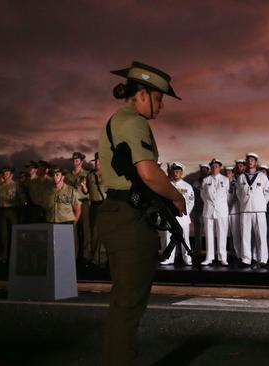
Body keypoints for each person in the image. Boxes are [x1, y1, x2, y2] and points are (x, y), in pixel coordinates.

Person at [97, 61, 185, 365]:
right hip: (127, 217)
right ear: (143, 94)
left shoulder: (120, 120)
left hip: (121, 212)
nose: (160, 106)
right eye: (159, 98)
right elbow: (148, 173)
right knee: (129, 304)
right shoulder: (133, 122)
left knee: (125, 303)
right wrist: (176, 197)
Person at [237, 152, 269, 267]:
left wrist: (261, 204)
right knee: (245, 236)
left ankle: (262, 259)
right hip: (245, 210)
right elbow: (238, 193)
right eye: (248, 160)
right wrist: (244, 203)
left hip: (259, 210)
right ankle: (246, 259)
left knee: (261, 235)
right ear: (246, 162)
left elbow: (267, 192)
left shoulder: (262, 176)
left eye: (252, 160)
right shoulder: (241, 177)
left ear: (256, 162)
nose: (250, 161)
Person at [160, 162, 194, 265]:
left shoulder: (187, 186)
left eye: (178, 172)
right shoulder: (168, 185)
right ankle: (168, 258)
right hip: (170, 217)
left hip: (183, 217)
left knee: (185, 238)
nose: (176, 174)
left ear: (181, 173)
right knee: (168, 238)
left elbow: (191, 202)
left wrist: (183, 212)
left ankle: (187, 258)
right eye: (174, 171)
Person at [200, 158, 229, 266]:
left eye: (217, 166)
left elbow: (227, 194)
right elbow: (202, 195)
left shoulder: (225, 180)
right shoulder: (206, 180)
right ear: (210, 168)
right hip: (209, 210)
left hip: (221, 211)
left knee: (222, 234)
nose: (214, 167)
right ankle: (209, 258)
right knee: (209, 235)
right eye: (212, 166)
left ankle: (223, 258)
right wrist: (209, 203)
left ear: (220, 167)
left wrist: (219, 204)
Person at [65, 152, 91, 265]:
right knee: (73, 230)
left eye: (77, 160)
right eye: (74, 161)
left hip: (83, 202)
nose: (75, 163)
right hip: (72, 204)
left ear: (82, 161)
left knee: (85, 230)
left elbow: (88, 192)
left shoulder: (87, 174)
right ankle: (73, 255)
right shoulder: (68, 175)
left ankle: (85, 256)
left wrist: (84, 187)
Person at [0, 166, 21, 264]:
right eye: (4, 174)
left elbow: (21, 199)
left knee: (13, 234)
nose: (5, 176)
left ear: (11, 175)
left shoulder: (16, 185)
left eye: (7, 174)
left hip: (12, 211)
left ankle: (14, 256)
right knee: (3, 235)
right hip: (2, 211)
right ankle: (3, 256)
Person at [87, 152, 108, 267]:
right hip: (94, 206)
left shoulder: (108, 175)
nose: (97, 163)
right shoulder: (89, 176)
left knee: (105, 232)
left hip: (105, 205)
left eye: (100, 161)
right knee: (94, 232)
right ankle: (95, 259)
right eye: (96, 161)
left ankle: (104, 259)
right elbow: (86, 192)